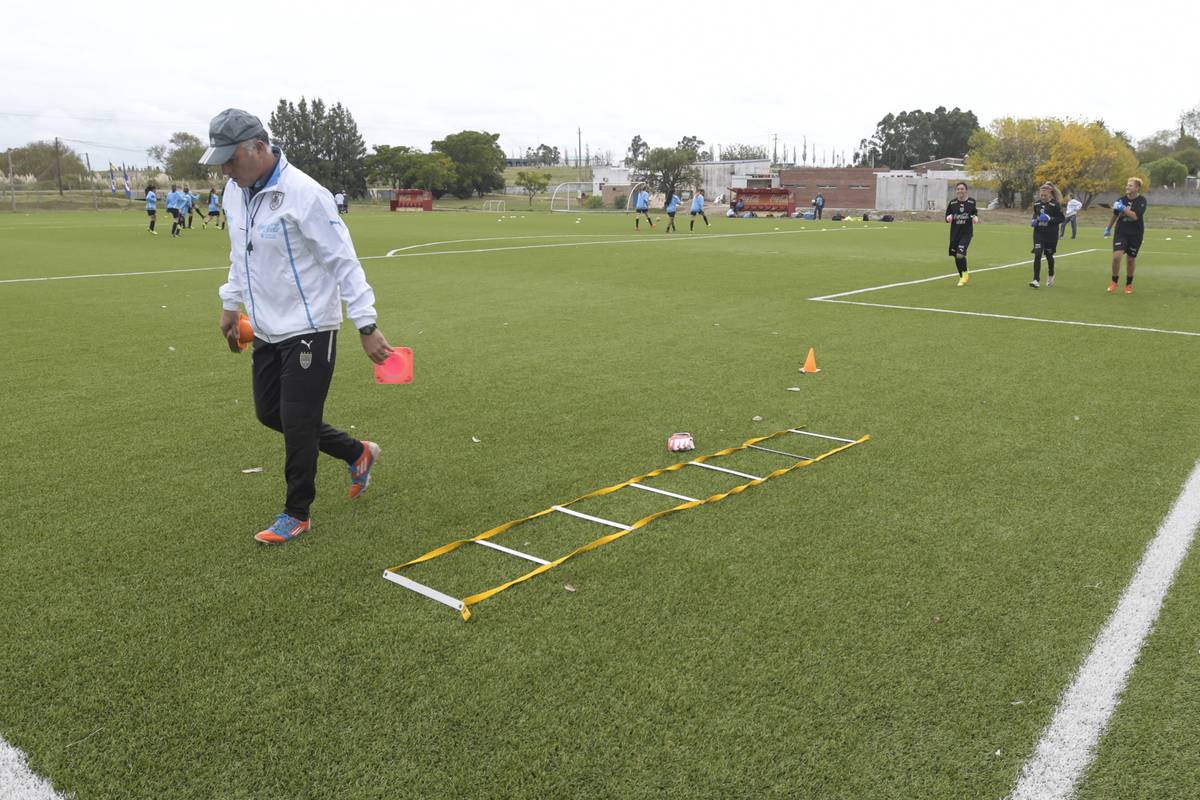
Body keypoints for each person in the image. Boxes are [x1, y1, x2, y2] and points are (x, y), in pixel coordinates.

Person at [200, 108, 394, 544]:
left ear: (260, 148)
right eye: (222, 163)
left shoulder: (306, 194)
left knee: (298, 419)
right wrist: (230, 304)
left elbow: (343, 260)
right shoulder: (237, 192)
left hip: (310, 326)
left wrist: (366, 325)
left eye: (231, 160)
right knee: (271, 412)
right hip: (267, 326)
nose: (226, 171)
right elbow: (240, 253)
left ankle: (297, 511)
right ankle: (357, 452)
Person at [1106, 177, 1147, 294]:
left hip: (1136, 234)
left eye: (1130, 185)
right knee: (1116, 257)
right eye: (1127, 185)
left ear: (1137, 188)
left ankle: (1128, 284)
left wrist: (1123, 208)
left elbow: (1135, 216)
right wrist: (1108, 228)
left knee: (1130, 260)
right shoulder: (1120, 199)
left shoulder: (1142, 201)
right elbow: (1115, 215)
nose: (1127, 187)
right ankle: (1114, 282)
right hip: (1121, 232)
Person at [1029, 182, 1065, 288]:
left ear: (1050, 194)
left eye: (1045, 195)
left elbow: (1061, 219)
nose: (1043, 197)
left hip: (1051, 234)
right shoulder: (1037, 204)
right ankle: (1036, 280)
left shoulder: (1055, 205)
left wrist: (1049, 219)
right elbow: (1035, 215)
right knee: (1038, 254)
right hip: (1038, 232)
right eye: (1041, 195)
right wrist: (1034, 220)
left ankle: (1051, 274)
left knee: (1049, 255)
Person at [945, 181, 978, 287]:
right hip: (955, 234)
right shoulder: (952, 203)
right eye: (958, 189)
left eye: (962, 189)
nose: (960, 191)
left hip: (966, 234)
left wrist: (975, 217)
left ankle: (964, 276)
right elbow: (947, 216)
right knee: (956, 256)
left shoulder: (972, 202)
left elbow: (974, 213)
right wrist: (948, 218)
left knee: (960, 254)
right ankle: (962, 275)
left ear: (966, 190)